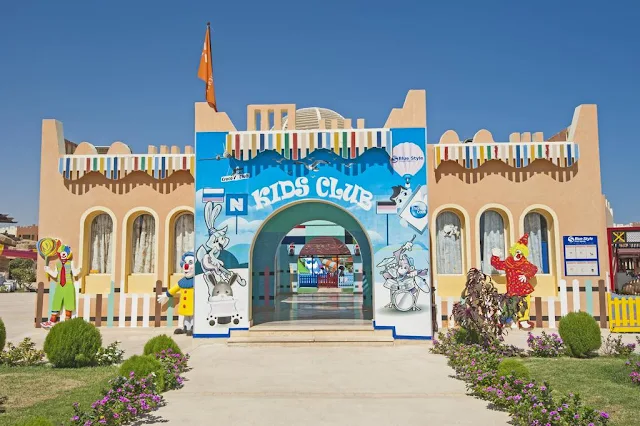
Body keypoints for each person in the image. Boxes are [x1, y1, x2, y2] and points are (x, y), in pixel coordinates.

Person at [491, 234, 538, 329]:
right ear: (514, 251)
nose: (519, 254)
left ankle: (523, 320)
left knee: (525, 304)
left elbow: (534, 269)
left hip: (524, 288)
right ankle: (511, 321)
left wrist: (526, 275)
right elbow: (498, 265)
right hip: (512, 288)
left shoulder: (525, 263)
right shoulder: (508, 263)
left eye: (521, 252)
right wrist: (495, 256)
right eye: (517, 251)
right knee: (511, 304)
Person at [41, 244, 81, 329]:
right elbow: (55, 275)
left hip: (69, 285)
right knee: (56, 302)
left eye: (65, 253)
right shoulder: (58, 264)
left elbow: (74, 273)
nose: (63, 255)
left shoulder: (71, 263)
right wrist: (48, 270)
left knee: (69, 302)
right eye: (62, 253)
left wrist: (79, 270)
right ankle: (52, 321)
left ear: (68, 254)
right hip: (59, 285)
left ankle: (68, 322)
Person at [158, 252, 196, 336]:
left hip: (193, 305)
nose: (186, 266)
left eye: (190, 263)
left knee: (193, 317)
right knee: (186, 317)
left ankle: (192, 328)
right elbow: (174, 289)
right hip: (184, 305)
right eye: (185, 263)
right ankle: (186, 328)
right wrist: (165, 295)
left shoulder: (197, 281)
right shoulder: (182, 282)